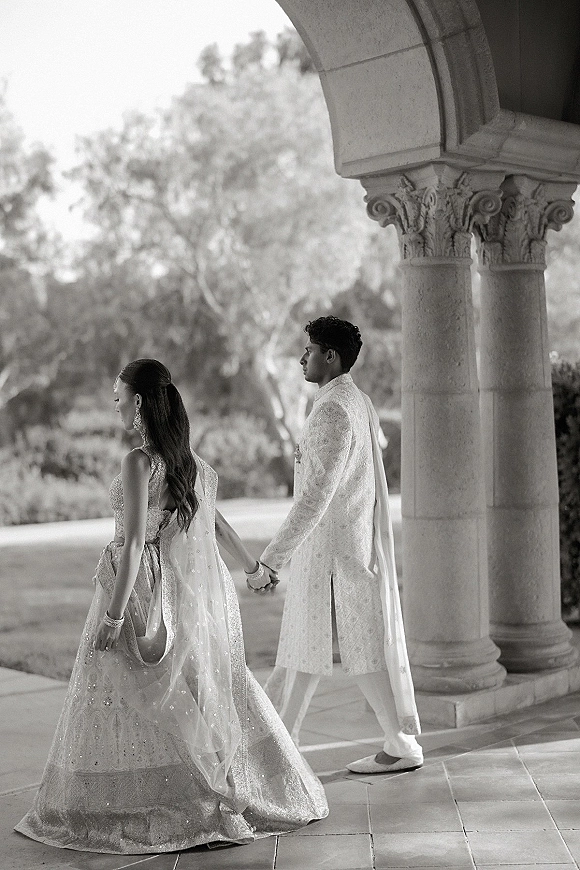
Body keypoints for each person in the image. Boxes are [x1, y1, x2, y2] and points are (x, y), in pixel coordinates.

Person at [15, 359, 327, 855]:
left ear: (139, 402)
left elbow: (136, 541)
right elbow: (218, 524)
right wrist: (250, 567)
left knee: (146, 696)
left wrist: (115, 616)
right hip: (180, 595)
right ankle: (224, 786)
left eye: (118, 395)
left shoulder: (139, 462)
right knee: (193, 691)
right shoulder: (190, 464)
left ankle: (192, 797)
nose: (115, 404)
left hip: (137, 591)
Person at [257, 317, 423, 775]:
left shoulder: (334, 410)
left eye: (309, 351)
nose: (301, 358)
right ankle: (393, 742)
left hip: (333, 552)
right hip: (344, 546)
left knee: (328, 649)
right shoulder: (354, 400)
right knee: (310, 651)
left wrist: (271, 558)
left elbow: (316, 495)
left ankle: (278, 754)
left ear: (330, 356)